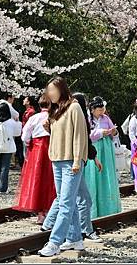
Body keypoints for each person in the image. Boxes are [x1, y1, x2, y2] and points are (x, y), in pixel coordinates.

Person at [38, 76, 88, 257]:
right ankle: (75, 238)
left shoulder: (74, 107)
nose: (49, 94)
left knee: (65, 203)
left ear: (61, 89)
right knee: (67, 200)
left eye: (52, 90)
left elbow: (80, 135)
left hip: (71, 162)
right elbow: (59, 135)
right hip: (57, 160)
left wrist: (77, 160)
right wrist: (48, 128)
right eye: (48, 90)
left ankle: (54, 242)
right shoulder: (56, 109)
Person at [14, 94, 55, 223]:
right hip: (52, 148)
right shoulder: (54, 117)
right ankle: (49, 210)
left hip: (36, 150)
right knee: (51, 179)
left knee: (36, 179)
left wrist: (29, 144)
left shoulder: (34, 117)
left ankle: (40, 213)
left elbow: (25, 135)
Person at [84, 96, 121, 218]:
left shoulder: (106, 118)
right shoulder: (88, 119)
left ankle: (109, 208)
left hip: (106, 148)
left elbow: (114, 132)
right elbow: (86, 135)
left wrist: (113, 132)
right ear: (93, 109)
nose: (101, 112)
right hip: (94, 149)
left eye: (102, 109)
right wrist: (100, 133)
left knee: (107, 174)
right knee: (94, 176)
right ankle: (93, 210)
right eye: (99, 110)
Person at [0, 103, 22, 193]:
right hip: (8, 147)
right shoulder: (11, 122)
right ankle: (3, 188)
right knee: (5, 168)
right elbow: (17, 133)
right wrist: (18, 122)